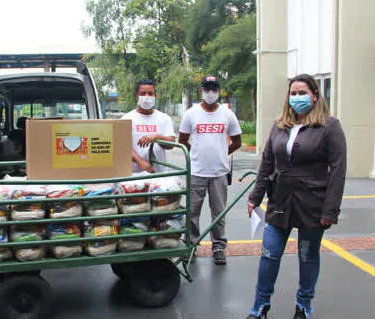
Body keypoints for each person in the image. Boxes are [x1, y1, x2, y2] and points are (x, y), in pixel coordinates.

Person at [246, 74, 347, 319]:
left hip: (313, 203)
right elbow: (267, 162)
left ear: (314, 96)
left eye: (302, 93)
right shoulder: (280, 124)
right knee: (269, 254)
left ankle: (303, 306)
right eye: (293, 93)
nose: (297, 97)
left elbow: (338, 170)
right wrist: (255, 196)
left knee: (307, 256)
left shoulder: (330, 126)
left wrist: (330, 210)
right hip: (280, 200)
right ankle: (260, 306)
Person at [178, 76, 242, 265]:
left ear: (218, 91)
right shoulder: (191, 114)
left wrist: (224, 152)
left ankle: (219, 247)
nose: (211, 93)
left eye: (214, 89)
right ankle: (191, 246)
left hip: (219, 173)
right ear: (201, 91)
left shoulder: (227, 115)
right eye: (207, 89)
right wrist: (194, 154)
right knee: (191, 212)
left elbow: (237, 141)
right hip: (197, 172)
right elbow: (182, 140)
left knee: (219, 213)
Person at [122, 80, 176, 173]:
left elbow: (171, 143)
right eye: (143, 93)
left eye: (150, 93)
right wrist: (140, 161)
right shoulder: (126, 119)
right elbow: (123, 146)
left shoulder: (164, 118)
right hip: (134, 174)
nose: (147, 97)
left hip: (158, 173)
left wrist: (157, 137)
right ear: (136, 96)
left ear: (155, 96)